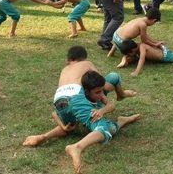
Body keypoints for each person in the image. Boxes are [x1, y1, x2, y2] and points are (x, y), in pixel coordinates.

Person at [22, 46, 139, 174]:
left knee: (70, 126)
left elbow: (55, 113)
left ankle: (44, 136)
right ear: (84, 58)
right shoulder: (87, 64)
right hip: (76, 97)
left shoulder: (65, 70)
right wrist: (105, 101)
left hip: (59, 101)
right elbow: (101, 84)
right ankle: (77, 147)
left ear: (68, 60)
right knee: (104, 128)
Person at [108, 8, 173, 76]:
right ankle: (128, 57)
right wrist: (156, 44)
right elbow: (144, 40)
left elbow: (142, 56)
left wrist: (136, 72)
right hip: (125, 42)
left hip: (116, 37)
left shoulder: (140, 21)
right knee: (136, 53)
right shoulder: (142, 31)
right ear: (154, 20)